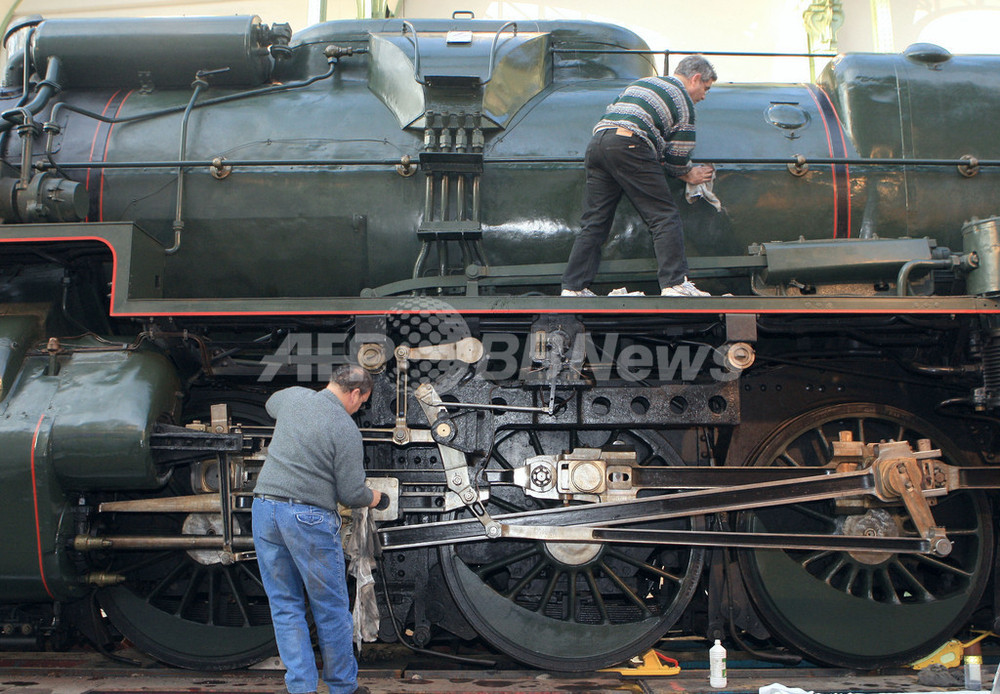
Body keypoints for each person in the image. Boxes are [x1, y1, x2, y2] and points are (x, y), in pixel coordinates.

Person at [252, 364, 384, 694]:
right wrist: (376, 498)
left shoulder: (294, 398)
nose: (360, 408)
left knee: (285, 604)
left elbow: (271, 404)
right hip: (307, 518)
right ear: (355, 393)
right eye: (362, 402)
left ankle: (301, 688)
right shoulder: (346, 429)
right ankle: (342, 686)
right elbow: (351, 493)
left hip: (265, 509)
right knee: (330, 608)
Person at [561, 55, 717, 298]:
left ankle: (574, 287)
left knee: (594, 222)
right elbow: (678, 154)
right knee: (664, 216)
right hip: (631, 145)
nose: (704, 96)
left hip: (598, 144)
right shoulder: (682, 98)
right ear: (695, 78)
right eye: (705, 88)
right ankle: (675, 283)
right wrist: (689, 174)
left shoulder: (642, 83)